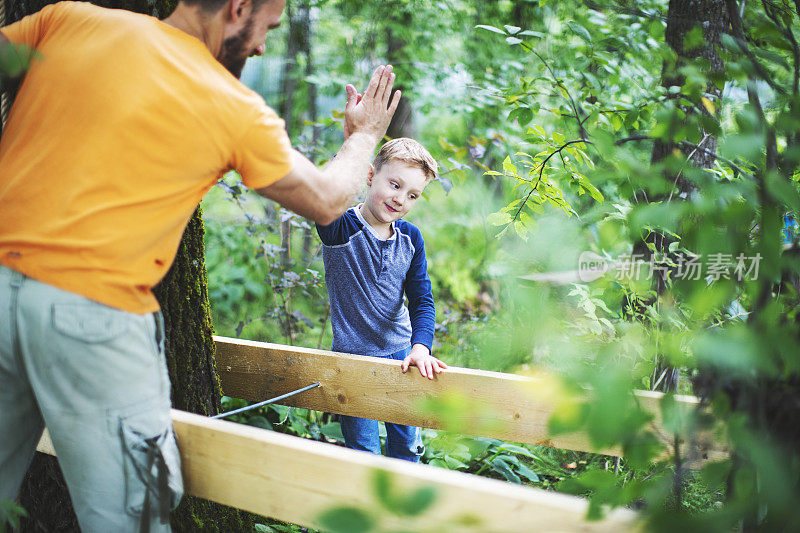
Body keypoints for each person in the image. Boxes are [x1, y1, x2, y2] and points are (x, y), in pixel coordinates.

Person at [0, 0, 400, 530]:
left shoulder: (67, 22)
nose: (261, 47)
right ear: (237, 9)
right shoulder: (228, 103)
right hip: (92, 319)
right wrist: (365, 135)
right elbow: (328, 199)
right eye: (267, 28)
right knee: (129, 520)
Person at [316, 138, 448, 462]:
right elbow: (325, 195)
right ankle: (368, 512)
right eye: (395, 184)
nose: (400, 199)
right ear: (370, 175)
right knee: (364, 453)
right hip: (354, 359)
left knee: (407, 448)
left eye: (413, 194)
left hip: (403, 354)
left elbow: (421, 300)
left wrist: (421, 347)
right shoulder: (341, 228)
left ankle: (404, 512)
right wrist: (353, 140)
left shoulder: (410, 237)